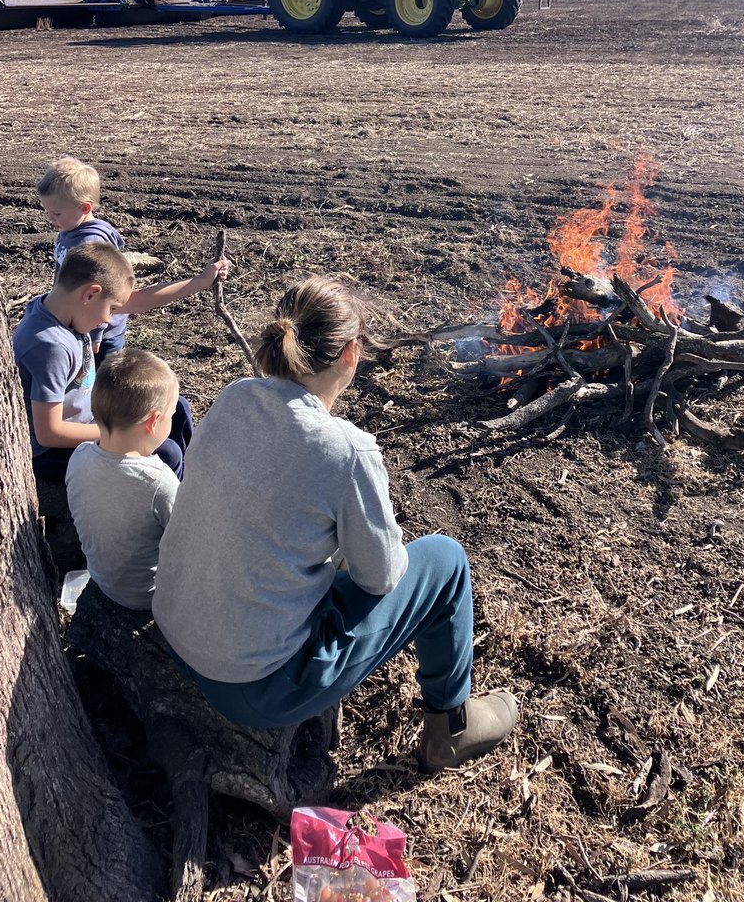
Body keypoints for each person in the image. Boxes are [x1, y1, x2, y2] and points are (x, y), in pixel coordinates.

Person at [152, 276, 518, 772]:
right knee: (446, 561)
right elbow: (381, 577)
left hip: (176, 636)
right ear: (351, 353)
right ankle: (450, 731)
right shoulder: (346, 450)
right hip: (253, 688)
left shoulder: (235, 396)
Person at [12, 242, 226, 485]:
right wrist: (120, 431)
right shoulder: (50, 346)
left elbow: (140, 300)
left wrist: (201, 281)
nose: (107, 320)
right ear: (91, 293)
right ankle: (173, 511)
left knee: (174, 408)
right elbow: (49, 433)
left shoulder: (63, 306)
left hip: (92, 422)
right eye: (112, 309)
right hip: (54, 455)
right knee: (166, 452)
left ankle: (192, 483)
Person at [66, 349, 180, 611]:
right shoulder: (158, 482)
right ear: (153, 421)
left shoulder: (80, 456)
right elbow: (187, 542)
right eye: (172, 415)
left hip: (103, 580)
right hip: (149, 595)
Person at [37, 155, 127, 367]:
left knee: (99, 381)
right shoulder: (70, 228)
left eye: (56, 213)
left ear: (84, 208)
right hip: (81, 320)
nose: (50, 218)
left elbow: (102, 292)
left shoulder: (90, 242)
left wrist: (96, 333)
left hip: (100, 332)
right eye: (47, 211)